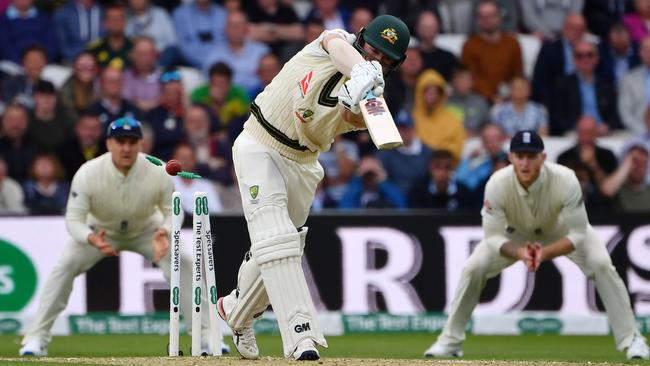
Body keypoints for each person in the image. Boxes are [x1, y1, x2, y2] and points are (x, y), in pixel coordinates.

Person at [216, 14, 409, 361]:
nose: (374, 60)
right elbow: (335, 45)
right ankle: (301, 337)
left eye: (384, 59)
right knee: (277, 240)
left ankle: (235, 309)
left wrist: (355, 101)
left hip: (304, 164)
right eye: (371, 50)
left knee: (282, 245)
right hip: (260, 143)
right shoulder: (333, 42)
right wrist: (362, 70)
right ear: (361, 39)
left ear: (395, 65)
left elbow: (351, 120)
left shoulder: (372, 102)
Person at [423, 130, 650, 361]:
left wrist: (545, 252)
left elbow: (580, 234)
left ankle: (631, 338)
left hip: (560, 232)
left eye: (531, 156)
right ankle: (449, 341)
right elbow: (492, 238)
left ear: (543, 157)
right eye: (520, 156)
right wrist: (521, 252)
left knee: (602, 264)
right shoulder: (497, 184)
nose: (525, 162)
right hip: (515, 236)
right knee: (474, 267)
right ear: (510, 157)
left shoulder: (566, 179)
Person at [18, 117, 226, 357]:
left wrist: (165, 232)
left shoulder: (158, 169)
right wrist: (90, 238)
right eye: (120, 141)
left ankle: (208, 338)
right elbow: (73, 220)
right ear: (108, 144)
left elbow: (173, 211)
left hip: (149, 230)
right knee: (63, 267)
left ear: (140, 145)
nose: (126, 148)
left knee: (186, 261)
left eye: (132, 142)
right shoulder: (88, 173)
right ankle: (35, 339)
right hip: (100, 231)